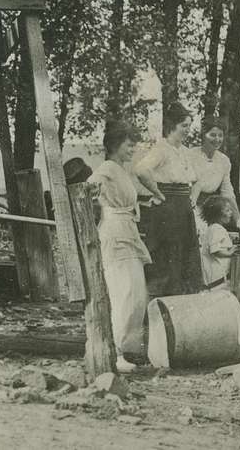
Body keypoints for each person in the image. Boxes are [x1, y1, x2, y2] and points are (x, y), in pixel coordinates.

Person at [88, 120, 150, 372]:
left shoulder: (121, 170)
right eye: (128, 144)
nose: (133, 149)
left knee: (137, 291)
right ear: (115, 145)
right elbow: (92, 183)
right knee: (122, 291)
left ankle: (129, 349)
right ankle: (115, 352)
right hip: (114, 231)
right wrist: (93, 193)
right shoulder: (108, 167)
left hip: (127, 229)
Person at [134, 102, 202, 295]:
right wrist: (157, 193)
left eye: (189, 125)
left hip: (183, 207)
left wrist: (192, 199)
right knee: (167, 255)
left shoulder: (184, 151)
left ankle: (179, 303)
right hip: (168, 208)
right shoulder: (162, 149)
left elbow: (196, 179)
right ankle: (159, 302)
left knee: (183, 256)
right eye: (184, 126)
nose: (188, 130)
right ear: (172, 125)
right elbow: (141, 170)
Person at [191, 116, 240, 236]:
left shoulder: (224, 161)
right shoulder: (190, 156)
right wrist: (194, 221)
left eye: (220, 135)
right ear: (203, 135)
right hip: (188, 208)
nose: (217, 139)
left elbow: (228, 194)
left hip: (209, 212)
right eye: (212, 135)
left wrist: (238, 220)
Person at [199, 195, 236, 290]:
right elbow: (214, 250)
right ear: (217, 214)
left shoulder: (212, 228)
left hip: (212, 275)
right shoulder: (217, 229)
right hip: (217, 276)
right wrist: (230, 253)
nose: (231, 213)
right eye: (227, 210)